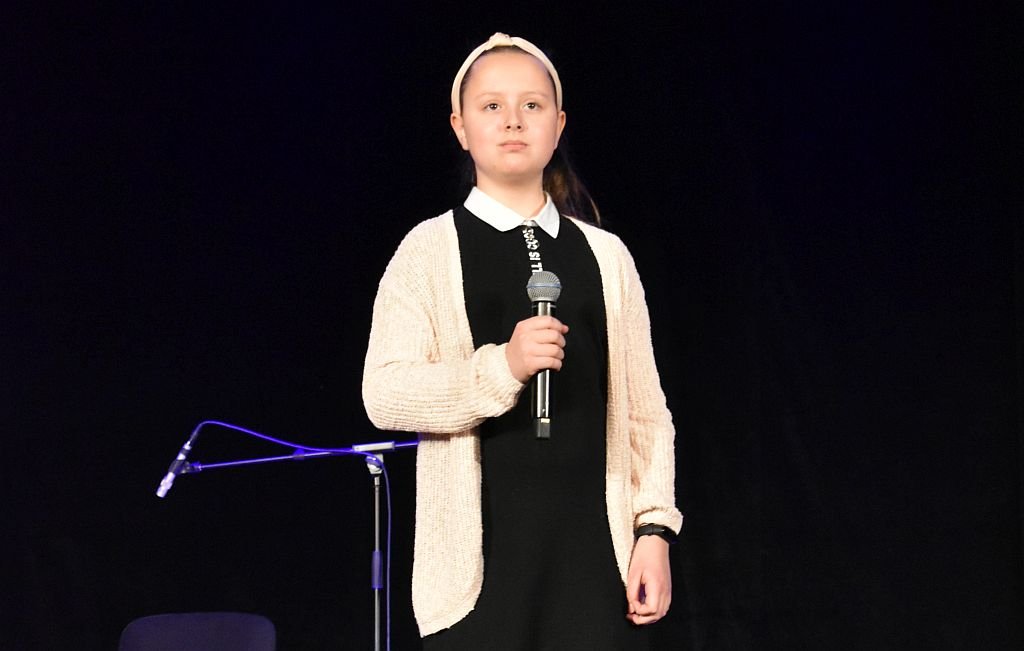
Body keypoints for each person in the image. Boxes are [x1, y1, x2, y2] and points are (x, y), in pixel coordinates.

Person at [362, 32, 682, 650]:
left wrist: (653, 531)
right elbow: (385, 393)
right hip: (478, 573)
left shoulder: (607, 257)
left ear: (558, 125)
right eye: (492, 106)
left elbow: (646, 412)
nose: (513, 120)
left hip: (596, 561)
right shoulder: (427, 250)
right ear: (460, 127)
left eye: (532, 105)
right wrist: (501, 368)